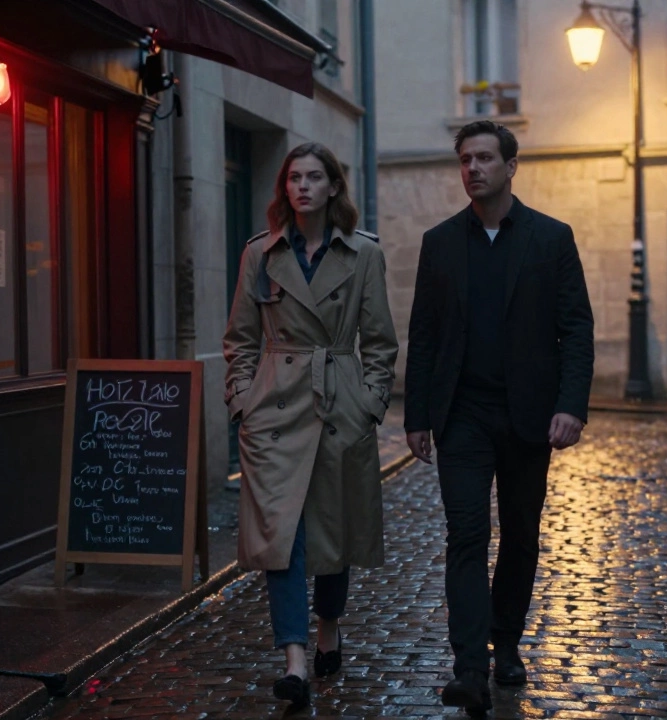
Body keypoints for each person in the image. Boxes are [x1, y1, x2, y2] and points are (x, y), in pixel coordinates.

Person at [404, 120, 594, 715]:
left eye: (484, 158)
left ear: (511, 166)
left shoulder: (550, 239)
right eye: (465, 160)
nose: (473, 169)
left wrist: (570, 405)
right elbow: (425, 334)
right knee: (465, 533)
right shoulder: (439, 243)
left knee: (519, 533)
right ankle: (469, 667)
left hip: (527, 416)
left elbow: (577, 329)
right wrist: (416, 415)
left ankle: (506, 641)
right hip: (460, 414)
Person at [223, 142, 398, 709]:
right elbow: (240, 340)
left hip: (339, 403)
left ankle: (328, 625)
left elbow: (379, 341)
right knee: (282, 535)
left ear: (332, 188)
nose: (302, 186)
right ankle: (294, 658)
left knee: (333, 531)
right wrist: (241, 400)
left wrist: (369, 402)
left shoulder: (363, 255)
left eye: (313, 177)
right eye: (294, 177)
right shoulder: (259, 254)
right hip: (275, 409)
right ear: (285, 188)